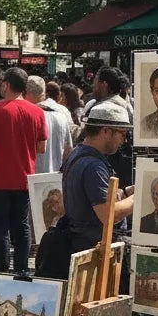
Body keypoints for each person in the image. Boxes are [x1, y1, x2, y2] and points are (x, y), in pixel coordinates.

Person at [0, 68, 47, 275]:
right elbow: (41, 147)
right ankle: (22, 269)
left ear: (6, 85)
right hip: (24, 178)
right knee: (22, 226)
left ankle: (1, 270)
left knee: (0, 229)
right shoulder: (37, 111)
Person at [61, 101, 136, 255]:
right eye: (122, 133)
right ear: (106, 131)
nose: (124, 140)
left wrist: (126, 193)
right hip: (94, 250)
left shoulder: (78, 153)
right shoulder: (93, 165)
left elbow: (93, 199)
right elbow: (109, 215)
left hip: (83, 242)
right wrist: (139, 198)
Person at [27, 75, 73, 174]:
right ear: (43, 93)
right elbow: (68, 151)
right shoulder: (62, 116)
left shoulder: (27, 117)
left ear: (25, 93)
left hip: (30, 179)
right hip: (55, 178)